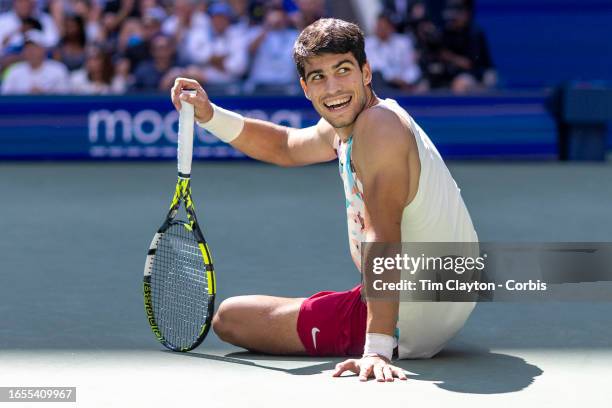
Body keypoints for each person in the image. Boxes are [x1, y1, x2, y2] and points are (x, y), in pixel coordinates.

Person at [170, 18, 478, 382]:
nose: (332, 89)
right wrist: (209, 115)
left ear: (366, 72)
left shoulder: (378, 126)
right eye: (318, 77)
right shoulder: (356, 123)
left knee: (232, 318)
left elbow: (384, 236)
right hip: (444, 294)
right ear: (305, 87)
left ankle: (377, 330)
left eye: (342, 70)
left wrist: (377, 349)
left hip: (414, 318)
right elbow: (284, 145)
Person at [365, 13, 421, 91]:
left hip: (405, 83)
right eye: (379, 26)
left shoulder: (403, 42)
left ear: (391, 28)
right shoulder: (368, 44)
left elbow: (410, 66)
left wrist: (406, 80)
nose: (380, 29)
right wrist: (394, 79)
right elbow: (376, 67)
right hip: (383, 84)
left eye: (384, 26)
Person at [1, 29, 69, 94]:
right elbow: (5, 97)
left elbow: (65, 97)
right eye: (27, 48)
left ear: (43, 49)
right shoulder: (14, 70)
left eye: (34, 47)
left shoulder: (58, 69)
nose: (31, 51)